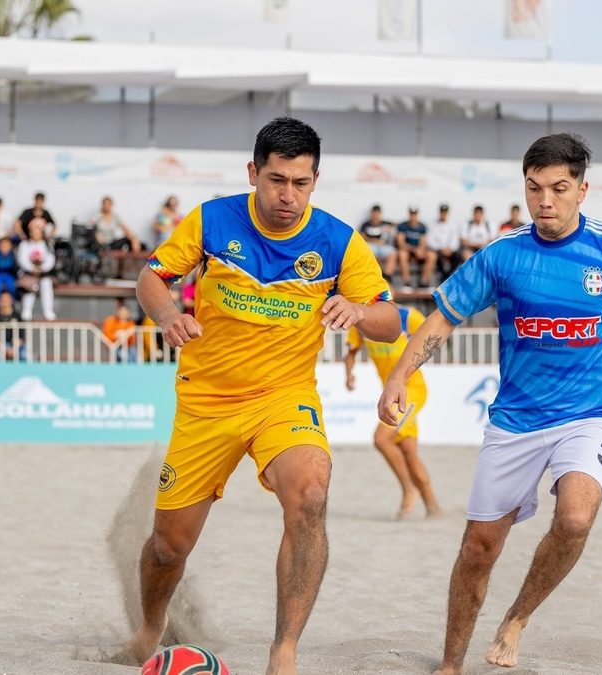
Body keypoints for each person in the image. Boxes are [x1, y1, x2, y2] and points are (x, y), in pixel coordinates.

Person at [377, 133, 602, 675]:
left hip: (590, 416)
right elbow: (444, 317)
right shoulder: (503, 254)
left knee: (573, 518)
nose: (545, 200)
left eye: (558, 188)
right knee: (479, 546)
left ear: (582, 190)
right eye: (534, 188)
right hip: (516, 421)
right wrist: (400, 374)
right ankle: (450, 663)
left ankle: (516, 620)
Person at [119, 116, 400, 674]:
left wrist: (361, 311)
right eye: (275, 180)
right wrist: (170, 313)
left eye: (299, 183)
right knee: (167, 547)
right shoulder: (211, 219)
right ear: (253, 172)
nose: (286, 196)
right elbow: (151, 279)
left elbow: (390, 323)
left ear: (315, 180)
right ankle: (150, 628)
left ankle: (284, 651)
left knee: (311, 495)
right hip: (207, 401)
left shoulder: (339, 241)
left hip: (284, 397)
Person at [345, 304, 441, 518]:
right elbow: (351, 352)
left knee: (381, 438)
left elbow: (436, 332)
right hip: (391, 394)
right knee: (408, 451)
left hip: (412, 391)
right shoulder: (361, 319)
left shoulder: (408, 316)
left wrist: (415, 358)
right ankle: (434, 508)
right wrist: (349, 374)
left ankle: (409, 489)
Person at [16, 220, 57, 320]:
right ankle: (26, 311)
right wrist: (32, 268)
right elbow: (22, 259)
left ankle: (48, 311)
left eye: (38, 230)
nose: (35, 233)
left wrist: (42, 268)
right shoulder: (24, 244)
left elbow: (51, 259)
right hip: (28, 274)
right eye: (33, 230)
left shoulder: (47, 244)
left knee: (46, 284)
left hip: (43, 274)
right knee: (30, 287)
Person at [397, 206, 436, 290]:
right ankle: (407, 282)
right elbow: (401, 243)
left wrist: (421, 250)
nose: (413, 216)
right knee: (402, 254)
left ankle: (424, 282)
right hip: (408, 251)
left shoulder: (422, 227)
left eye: (414, 214)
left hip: (418, 251)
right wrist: (414, 250)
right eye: (411, 214)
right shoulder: (402, 226)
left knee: (432, 255)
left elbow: (423, 242)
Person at [359, 205, 398, 279]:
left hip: (383, 246)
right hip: (371, 245)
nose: (376, 215)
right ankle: (376, 275)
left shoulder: (385, 223)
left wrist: (389, 228)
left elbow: (397, 225)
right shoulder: (366, 225)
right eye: (374, 213)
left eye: (378, 213)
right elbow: (362, 238)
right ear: (372, 213)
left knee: (392, 252)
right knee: (369, 251)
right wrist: (374, 241)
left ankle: (387, 276)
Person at [426, 203, 463, 281]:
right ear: (439, 212)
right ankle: (442, 275)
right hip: (437, 250)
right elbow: (430, 240)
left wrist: (449, 248)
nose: (443, 214)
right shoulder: (433, 224)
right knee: (436, 257)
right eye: (442, 212)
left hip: (449, 250)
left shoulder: (453, 224)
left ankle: (447, 275)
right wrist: (440, 248)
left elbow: (454, 240)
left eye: (445, 212)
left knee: (458, 256)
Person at [0, 290, 26, 361]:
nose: (5, 301)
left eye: (7, 299)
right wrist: (3, 350)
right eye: (3, 299)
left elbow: (21, 337)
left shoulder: (17, 316)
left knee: (25, 353)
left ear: (11, 300)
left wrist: (14, 349)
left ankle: (23, 372)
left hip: (15, 346)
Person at [0, 236, 19, 308]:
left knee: (11, 286)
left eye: (7, 245)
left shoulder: (13, 254)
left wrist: (17, 275)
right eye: (2, 245)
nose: (4, 247)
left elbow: (16, 266)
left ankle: (13, 302)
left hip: (10, 274)